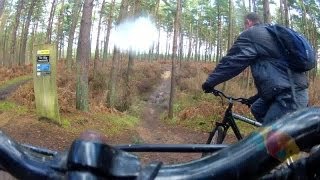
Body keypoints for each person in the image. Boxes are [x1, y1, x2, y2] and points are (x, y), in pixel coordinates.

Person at [201, 12, 309, 125]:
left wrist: (210, 82)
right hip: (286, 90)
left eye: (244, 25)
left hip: (290, 94)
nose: (244, 28)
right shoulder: (268, 33)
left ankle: (277, 137)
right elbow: (277, 73)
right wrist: (255, 97)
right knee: (257, 108)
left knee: (270, 136)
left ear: (248, 22)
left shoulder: (252, 34)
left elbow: (232, 61)